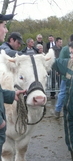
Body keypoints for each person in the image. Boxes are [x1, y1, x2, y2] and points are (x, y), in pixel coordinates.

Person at [0, 13, 26, 158]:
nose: (5, 30)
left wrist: (11, 95)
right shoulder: (3, 51)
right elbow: (8, 52)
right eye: (3, 26)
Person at [54, 34, 73, 118]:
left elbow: (60, 61)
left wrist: (59, 70)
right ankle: (71, 111)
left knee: (63, 93)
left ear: (69, 40)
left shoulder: (64, 49)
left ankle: (58, 110)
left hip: (67, 75)